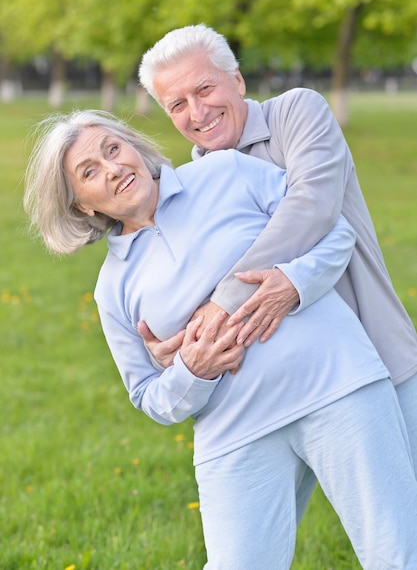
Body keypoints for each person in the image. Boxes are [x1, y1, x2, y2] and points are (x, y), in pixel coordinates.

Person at [24, 109, 417, 569]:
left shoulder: (224, 171)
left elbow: (331, 229)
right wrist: (194, 371)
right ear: (82, 206)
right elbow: (148, 395)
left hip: (336, 387)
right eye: (89, 172)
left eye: (113, 149)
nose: (113, 168)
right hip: (235, 433)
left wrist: (293, 283)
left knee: (396, 552)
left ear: (134, 148)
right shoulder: (112, 290)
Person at [138, 24, 417, 473]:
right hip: (267, 400)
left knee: (403, 531)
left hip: (375, 357)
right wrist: (177, 345)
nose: (197, 112)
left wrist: (222, 303)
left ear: (238, 80)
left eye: (204, 88)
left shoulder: (297, 112)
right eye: (177, 104)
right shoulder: (189, 190)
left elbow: (312, 208)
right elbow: (182, 283)